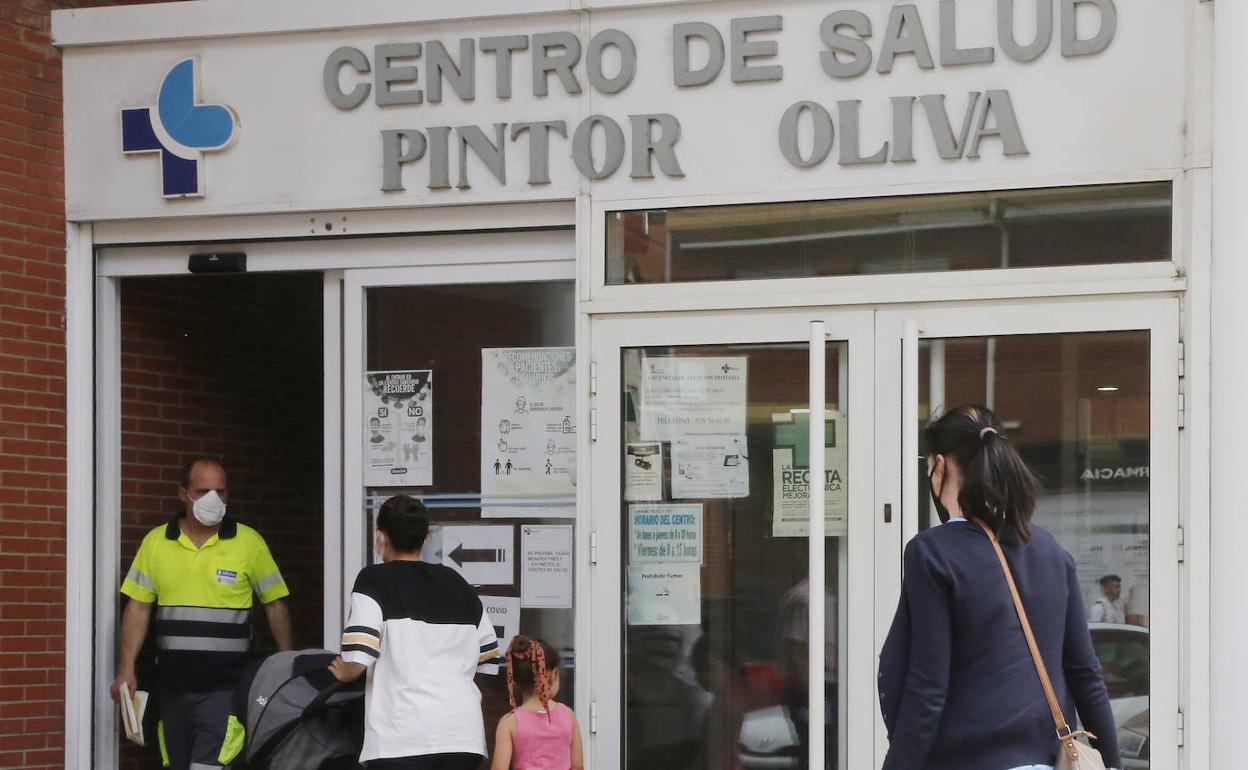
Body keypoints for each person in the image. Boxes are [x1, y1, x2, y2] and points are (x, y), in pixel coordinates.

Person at [877, 406, 1121, 770]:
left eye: (929, 468)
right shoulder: (1051, 552)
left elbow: (928, 688)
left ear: (940, 466)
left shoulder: (933, 553)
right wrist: (1112, 764)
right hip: (1044, 761)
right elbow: (1085, 674)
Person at [110, 458, 293, 770]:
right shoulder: (156, 542)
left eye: (220, 492)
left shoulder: (248, 542)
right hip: (173, 685)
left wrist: (287, 664)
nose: (213, 499)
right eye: (203, 490)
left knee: (210, 765)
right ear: (184, 494)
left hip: (227, 684)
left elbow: (275, 604)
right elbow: (138, 607)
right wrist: (126, 667)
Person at [330, 494, 501, 769]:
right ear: (426, 539)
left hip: (401, 739)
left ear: (380, 537)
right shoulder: (457, 583)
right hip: (461, 737)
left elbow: (358, 659)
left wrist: (343, 671)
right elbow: (489, 658)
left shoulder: (373, 581)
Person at [490, 636, 584, 770]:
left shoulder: (509, 722)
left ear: (514, 681)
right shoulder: (568, 715)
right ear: (554, 674)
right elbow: (578, 765)